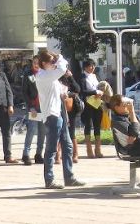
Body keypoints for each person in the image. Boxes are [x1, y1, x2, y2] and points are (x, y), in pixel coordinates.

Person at [35, 50, 86, 189]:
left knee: (68, 146)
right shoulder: (43, 75)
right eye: (51, 62)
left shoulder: (50, 76)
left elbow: (60, 91)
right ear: (44, 63)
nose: (54, 64)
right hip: (52, 115)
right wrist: (59, 57)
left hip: (59, 113)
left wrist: (64, 94)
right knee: (51, 148)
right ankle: (49, 180)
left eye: (54, 61)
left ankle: (69, 177)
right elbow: (63, 67)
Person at [21, 55, 45, 166]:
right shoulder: (28, 74)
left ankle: (39, 154)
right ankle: (26, 154)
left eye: (38, 62)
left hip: (44, 107)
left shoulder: (45, 74)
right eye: (34, 62)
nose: (36, 64)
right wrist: (30, 106)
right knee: (31, 129)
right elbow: (25, 92)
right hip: (33, 107)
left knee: (42, 131)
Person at [79, 59, 104, 158]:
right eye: (90, 66)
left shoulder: (95, 76)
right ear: (85, 67)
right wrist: (95, 92)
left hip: (97, 102)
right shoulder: (82, 77)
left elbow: (99, 87)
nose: (92, 68)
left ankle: (98, 149)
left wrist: (101, 91)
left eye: (93, 65)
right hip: (88, 103)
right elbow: (82, 91)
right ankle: (89, 149)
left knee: (97, 124)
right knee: (88, 125)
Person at [58, 69, 81, 163]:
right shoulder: (54, 77)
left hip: (70, 107)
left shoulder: (69, 78)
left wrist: (70, 77)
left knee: (71, 131)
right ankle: (58, 155)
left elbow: (77, 89)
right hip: (58, 106)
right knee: (58, 130)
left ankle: (75, 154)